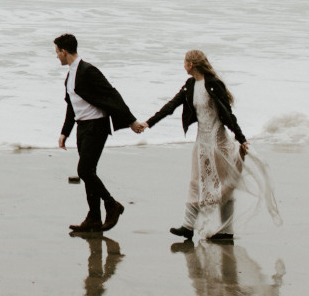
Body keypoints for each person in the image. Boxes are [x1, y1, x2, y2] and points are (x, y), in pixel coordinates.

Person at [137, 50, 281, 242]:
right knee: (196, 182)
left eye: (184, 62)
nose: (183, 65)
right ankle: (188, 227)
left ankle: (226, 230)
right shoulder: (190, 85)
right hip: (202, 142)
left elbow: (228, 115)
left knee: (225, 185)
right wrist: (149, 123)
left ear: (191, 65)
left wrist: (241, 138)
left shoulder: (213, 84)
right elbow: (171, 106)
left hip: (218, 143)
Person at [55, 33, 144, 232]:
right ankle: (94, 217)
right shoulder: (70, 76)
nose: (56, 57)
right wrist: (65, 132)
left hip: (96, 126)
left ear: (64, 51)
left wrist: (131, 121)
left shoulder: (88, 70)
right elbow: (72, 106)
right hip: (82, 128)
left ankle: (112, 205)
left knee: (84, 171)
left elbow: (111, 93)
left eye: (57, 53)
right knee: (89, 172)